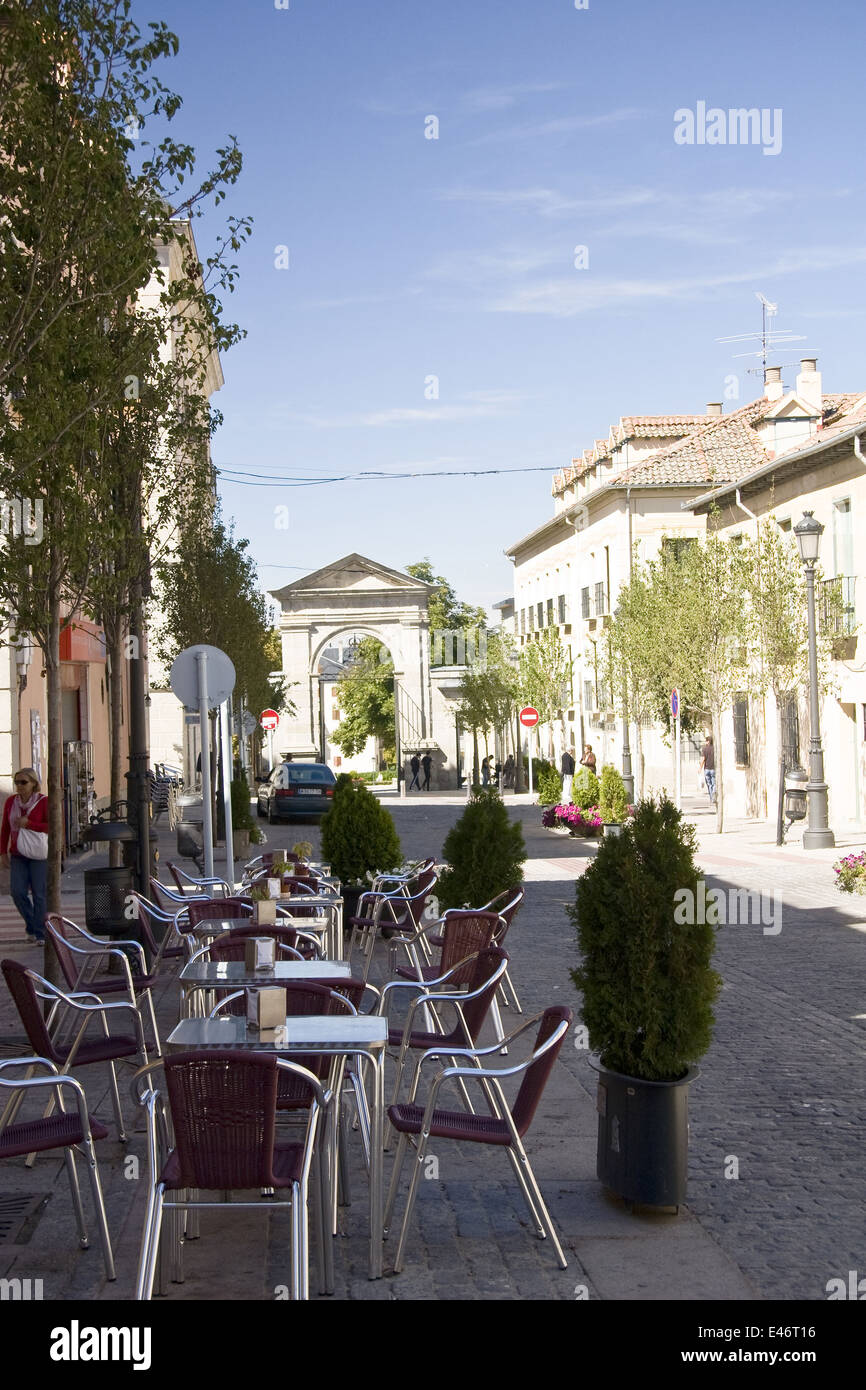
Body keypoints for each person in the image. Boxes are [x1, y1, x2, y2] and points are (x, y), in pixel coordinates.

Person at [0, 769, 49, 945]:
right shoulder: (11, 802)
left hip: (39, 854)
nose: (19, 786)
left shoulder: (44, 802)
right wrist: (2, 852)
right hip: (18, 854)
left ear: (33, 783)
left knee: (39, 894)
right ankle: (32, 925)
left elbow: (52, 827)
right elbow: (5, 827)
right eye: (17, 782)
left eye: (23, 782)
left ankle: (40, 933)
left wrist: (30, 824)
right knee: (17, 892)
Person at [700, 733, 716, 806]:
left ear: (708, 741)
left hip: (707, 769)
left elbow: (703, 759)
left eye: (706, 741)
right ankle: (713, 794)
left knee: (709, 784)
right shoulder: (714, 749)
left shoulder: (704, 749)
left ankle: (711, 798)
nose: (705, 742)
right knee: (714, 783)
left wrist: (700, 768)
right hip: (713, 768)